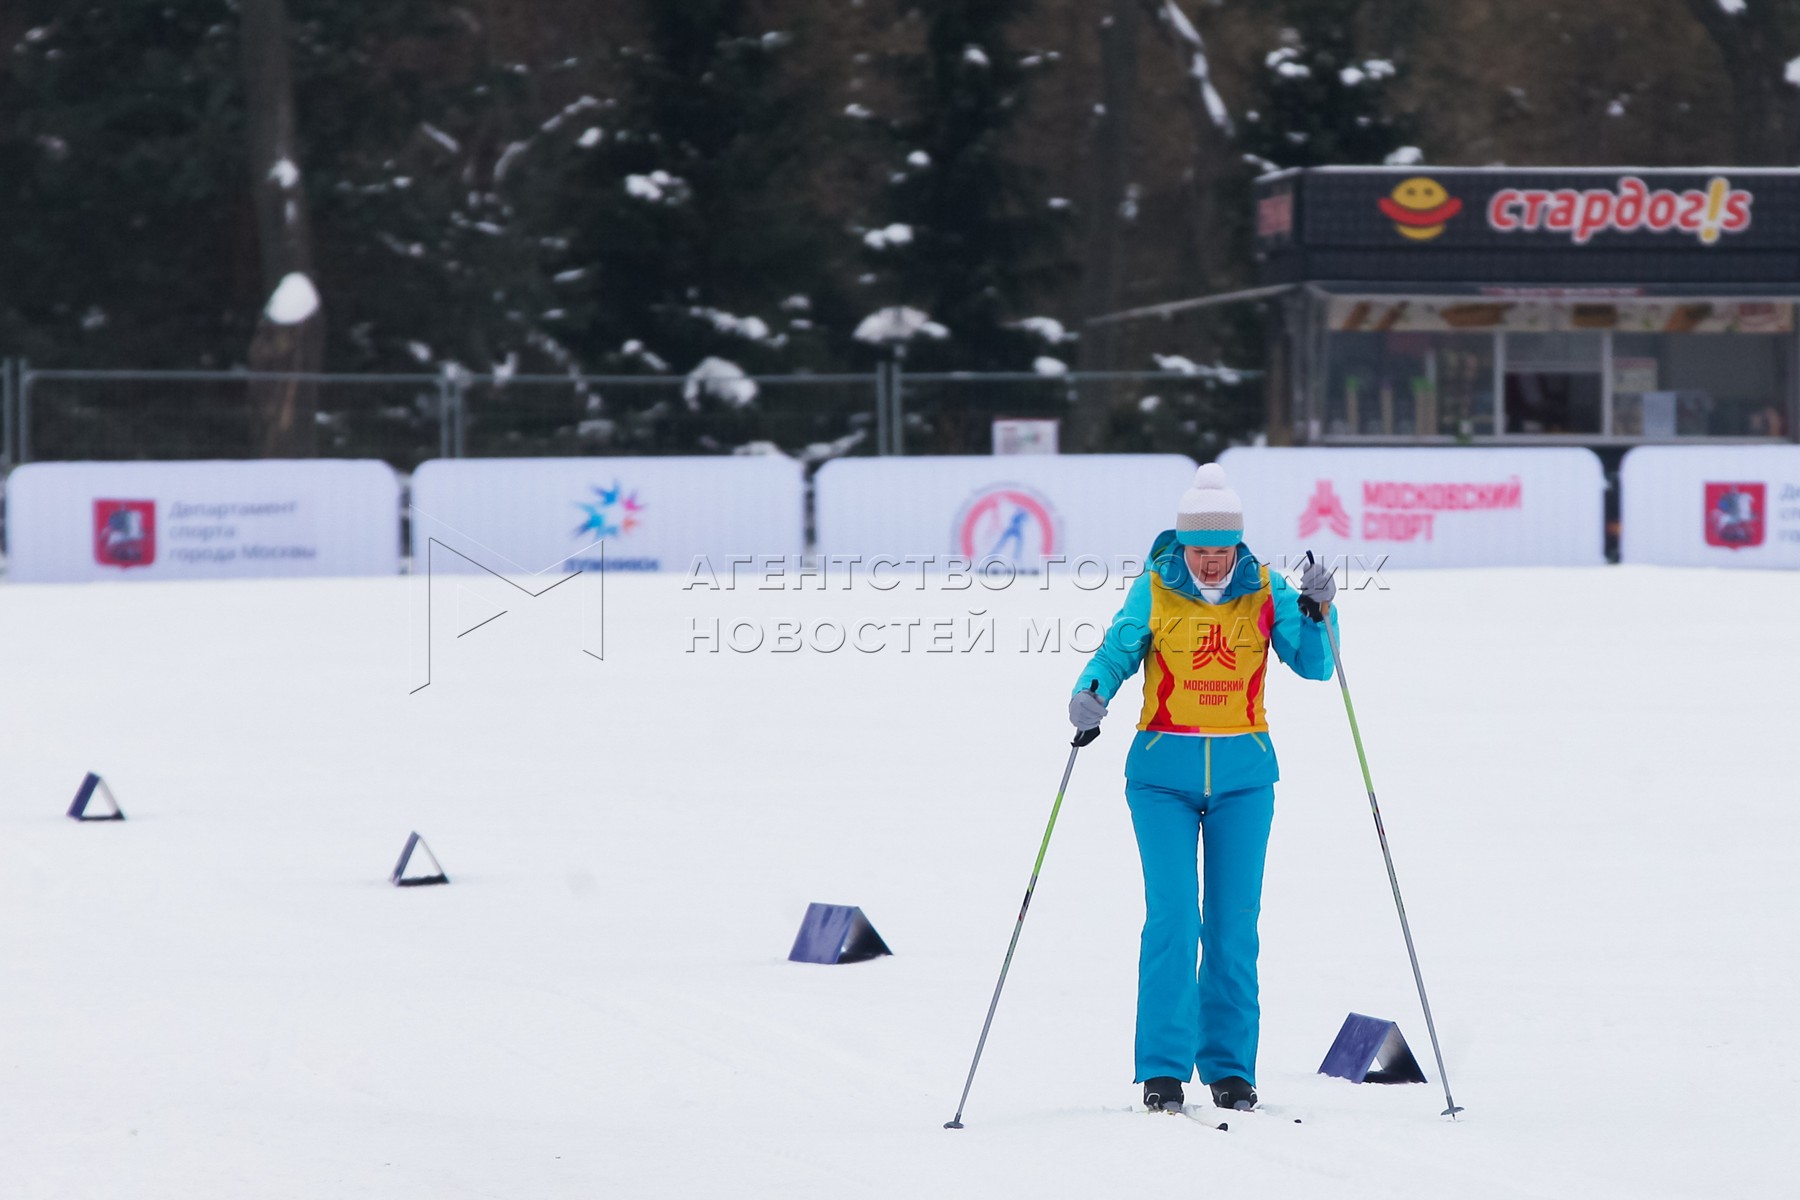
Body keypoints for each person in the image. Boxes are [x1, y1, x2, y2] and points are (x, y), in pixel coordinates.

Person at [1068, 462, 1339, 1113]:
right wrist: (1092, 691)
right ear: (1182, 545)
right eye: (1200, 551)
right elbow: (1118, 651)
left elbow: (1315, 665)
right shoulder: (1155, 590)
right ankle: (1162, 1069)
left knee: (1232, 927)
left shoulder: (1267, 589)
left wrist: (1322, 610)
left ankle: (1230, 1068)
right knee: (1173, 920)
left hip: (1246, 781)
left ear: (1236, 545)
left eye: (1222, 550)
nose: (1212, 563)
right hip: (1161, 778)